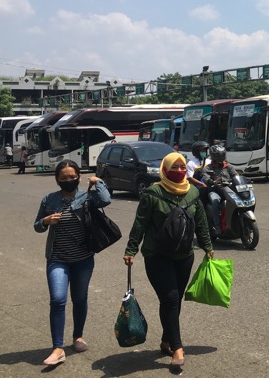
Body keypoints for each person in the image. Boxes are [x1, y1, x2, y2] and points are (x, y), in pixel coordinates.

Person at [123, 152, 214, 369]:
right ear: (164, 170)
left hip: (184, 255)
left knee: (173, 300)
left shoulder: (192, 192)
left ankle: (166, 340)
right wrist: (131, 249)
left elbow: (200, 221)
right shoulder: (152, 193)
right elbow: (140, 223)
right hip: (157, 256)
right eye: (174, 168)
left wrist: (207, 246)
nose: (180, 171)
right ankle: (177, 347)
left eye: (183, 168)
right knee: (171, 298)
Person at [33, 160, 111, 366]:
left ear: (78, 177)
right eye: (64, 177)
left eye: (72, 177)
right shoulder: (49, 199)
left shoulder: (87, 197)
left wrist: (98, 181)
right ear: (57, 179)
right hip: (57, 258)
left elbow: (106, 200)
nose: (68, 180)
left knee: (79, 298)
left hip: (83, 259)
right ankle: (58, 348)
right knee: (58, 300)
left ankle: (78, 336)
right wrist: (45, 221)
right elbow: (37, 226)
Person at [201, 145, 239, 237]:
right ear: (213, 156)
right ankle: (218, 227)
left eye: (222, 155)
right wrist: (211, 181)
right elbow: (206, 177)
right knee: (215, 201)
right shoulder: (208, 168)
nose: (221, 157)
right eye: (218, 155)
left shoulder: (228, 166)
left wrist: (242, 179)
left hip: (228, 190)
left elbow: (236, 176)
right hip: (215, 191)